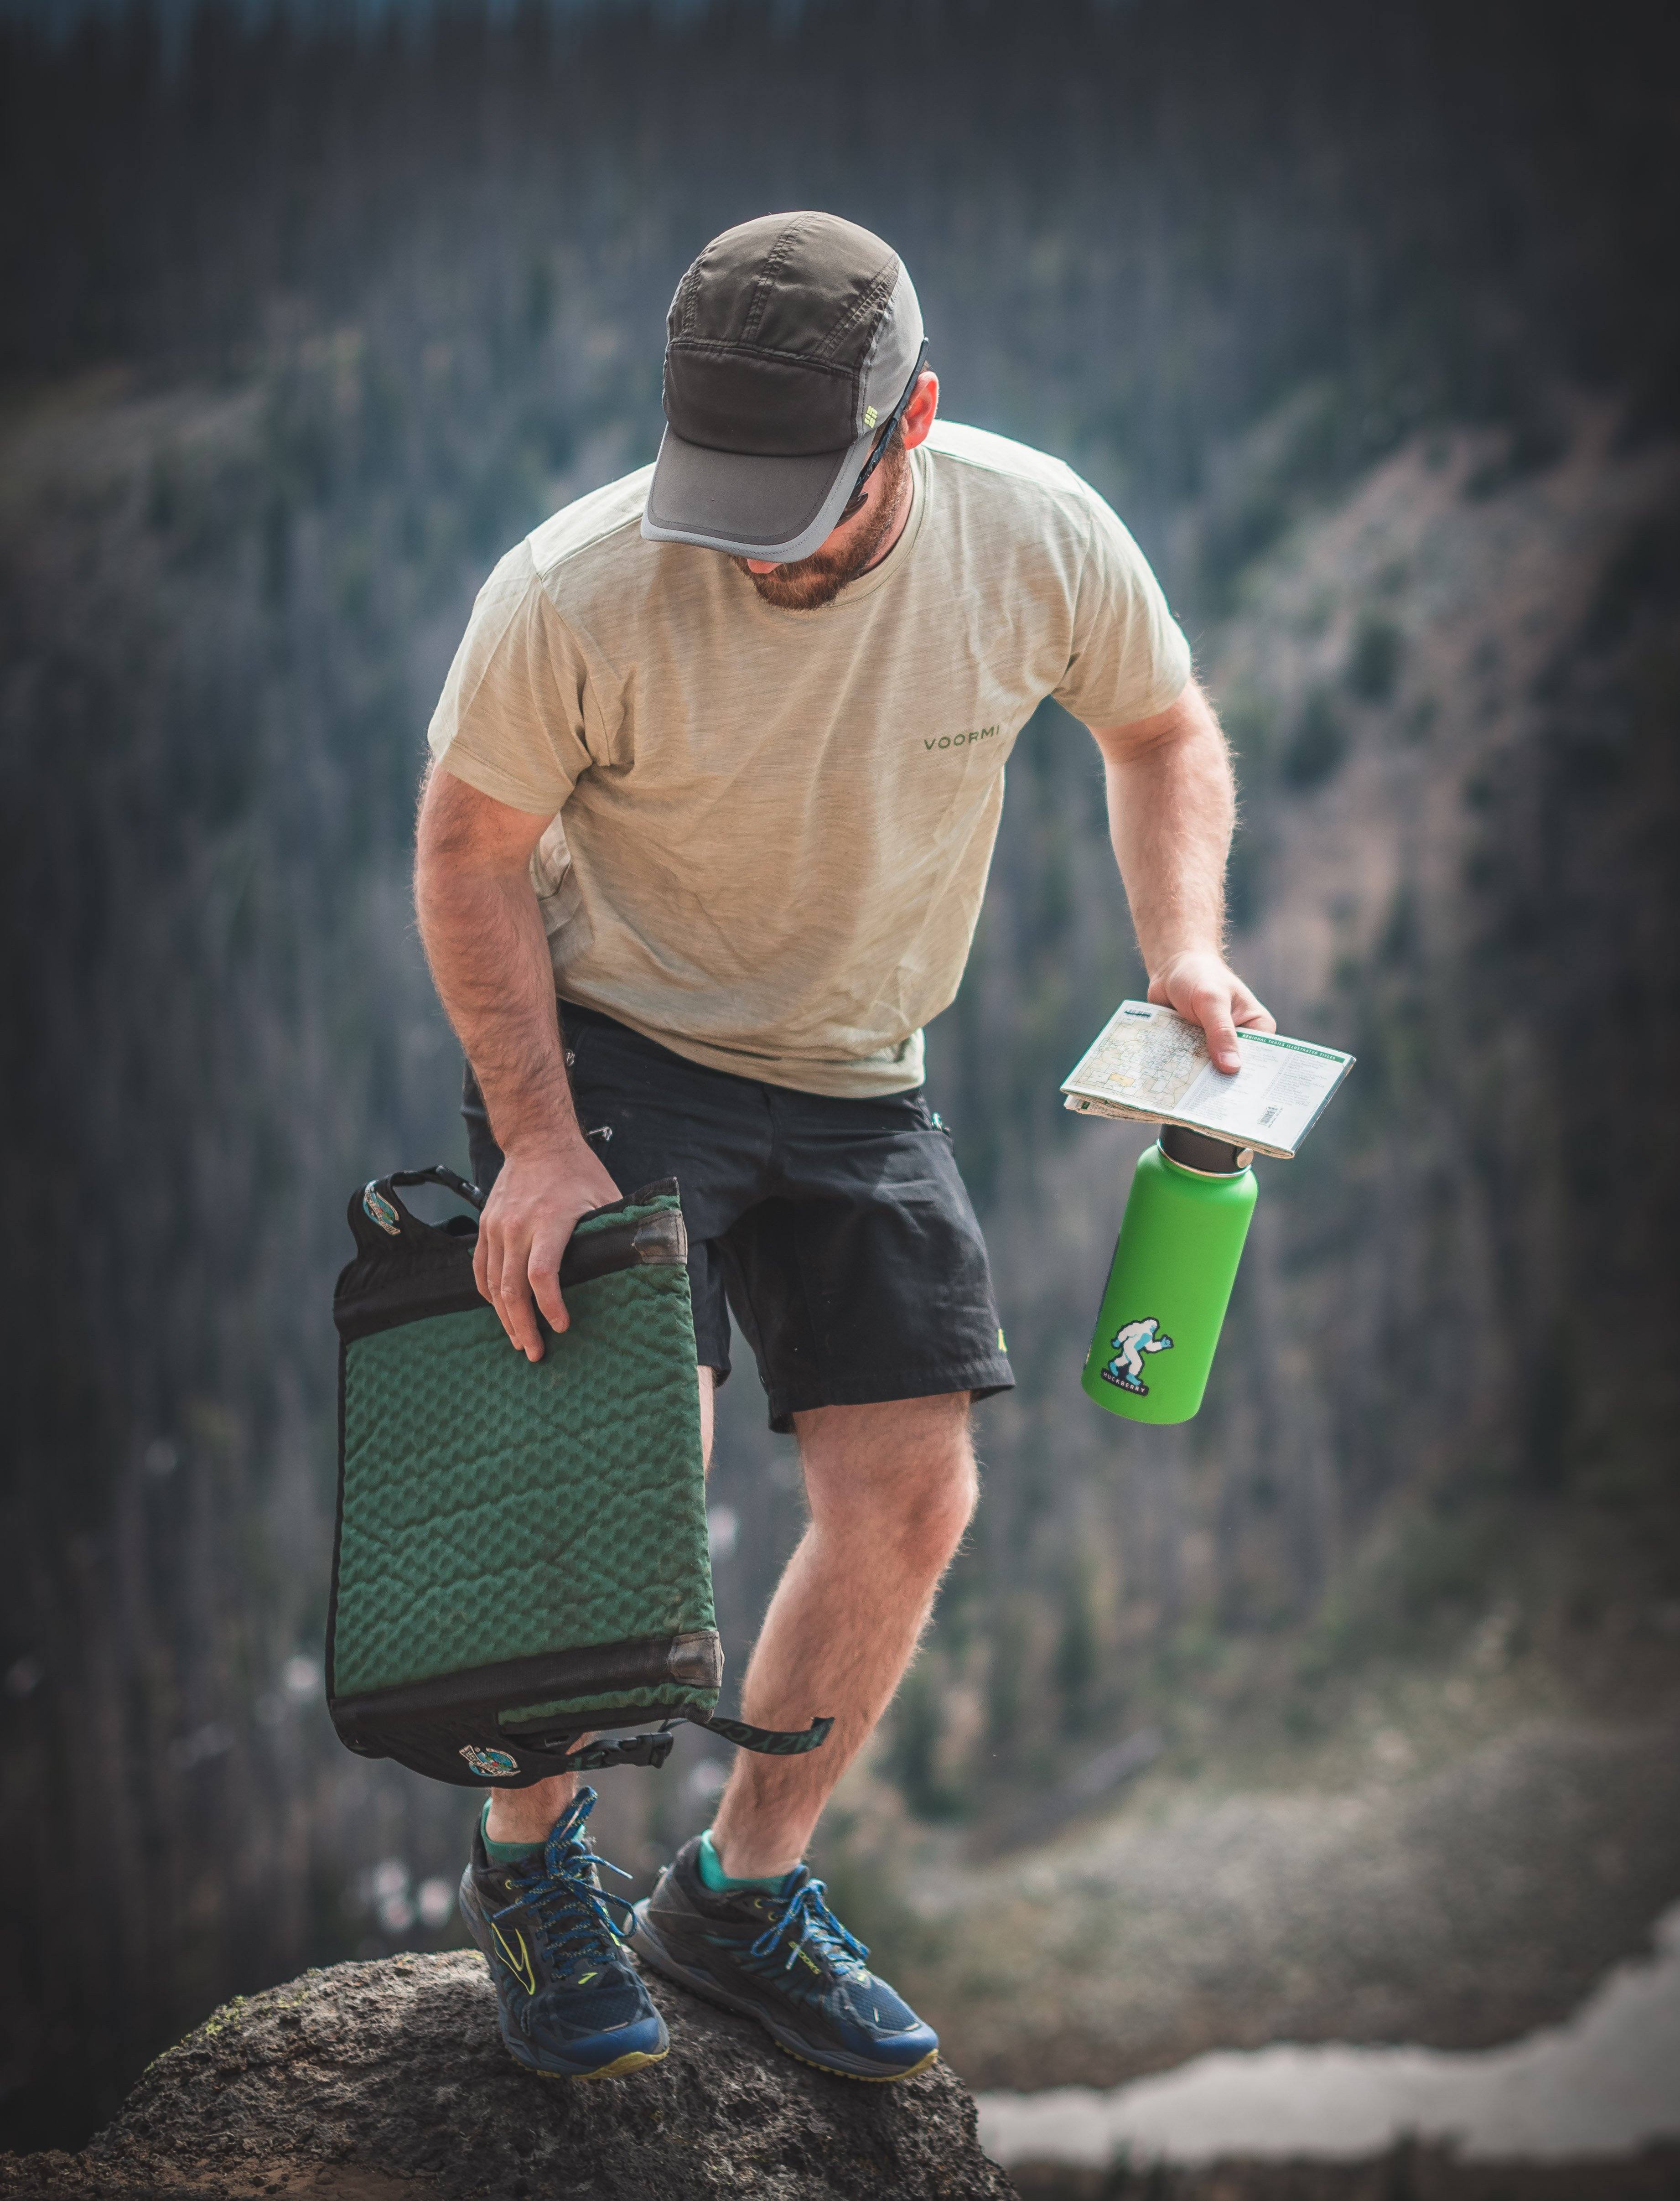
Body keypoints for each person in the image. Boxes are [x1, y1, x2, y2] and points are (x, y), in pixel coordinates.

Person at [414, 210, 1274, 2085]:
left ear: (918, 423)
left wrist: (1185, 944)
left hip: (859, 1065)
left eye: (803, 497)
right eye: (726, 493)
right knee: (630, 1443)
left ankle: (734, 1898)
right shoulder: (575, 586)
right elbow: (469, 850)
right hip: (617, 1037)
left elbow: (1160, 725)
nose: (758, 542)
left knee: (910, 1492)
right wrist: (538, 1139)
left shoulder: (1035, 533)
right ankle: (532, 1862)